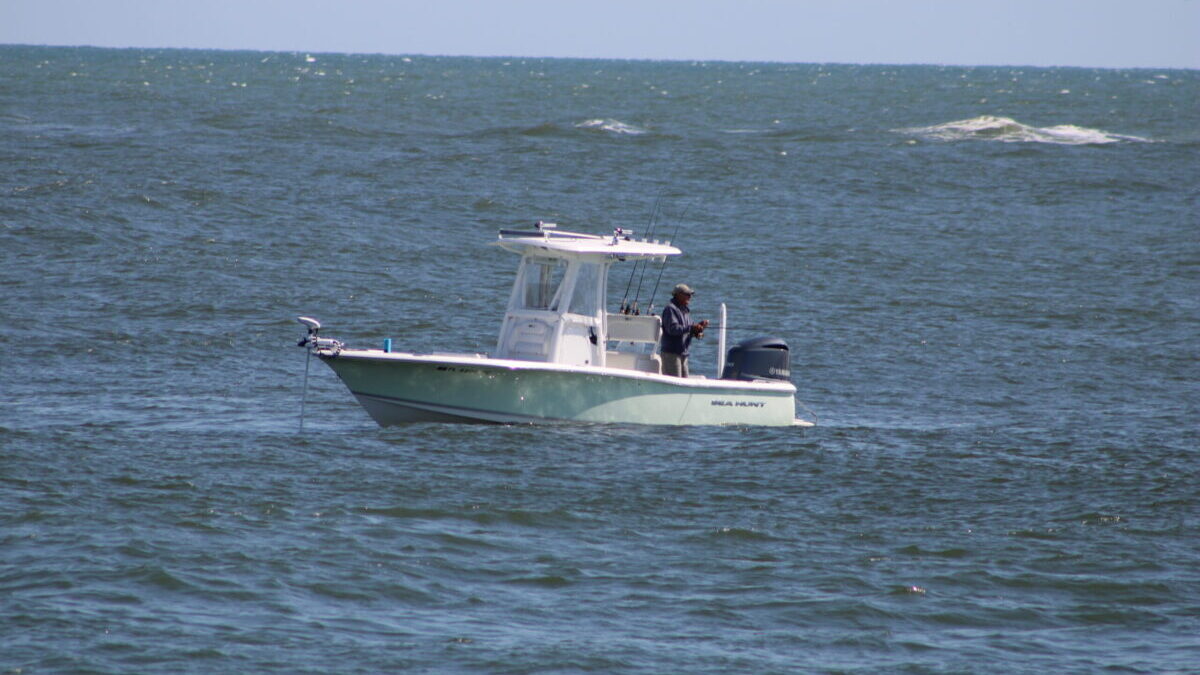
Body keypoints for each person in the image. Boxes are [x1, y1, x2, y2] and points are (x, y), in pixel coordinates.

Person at [660, 283, 709, 378]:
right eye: (687, 294)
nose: (690, 297)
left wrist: (698, 329)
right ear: (678, 295)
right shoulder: (670, 309)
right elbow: (673, 329)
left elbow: (688, 329)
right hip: (672, 354)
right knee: (675, 384)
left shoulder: (685, 311)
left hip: (683, 354)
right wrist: (691, 328)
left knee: (684, 382)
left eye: (690, 294)